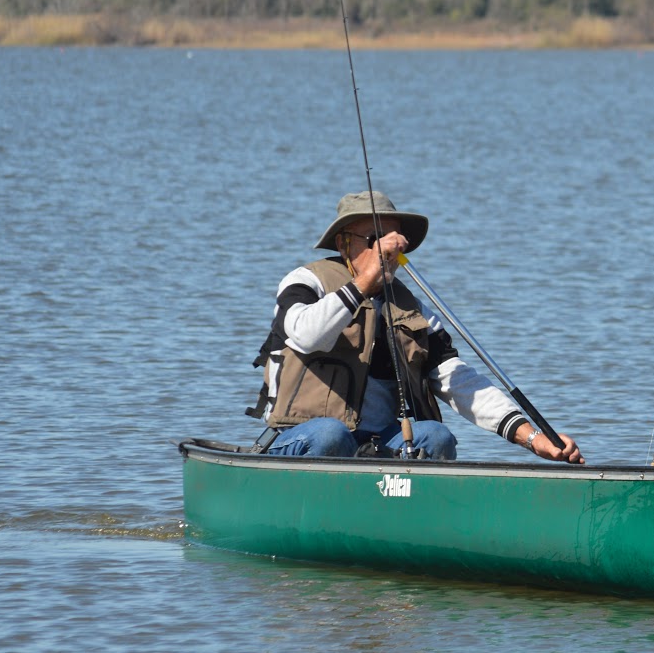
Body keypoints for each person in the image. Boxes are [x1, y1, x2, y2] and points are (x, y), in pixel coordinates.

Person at [249, 190, 584, 463]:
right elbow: (306, 335)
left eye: (396, 241)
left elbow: (462, 384)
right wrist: (364, 284)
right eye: (376, 240)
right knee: (330, 435)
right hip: (302, 440)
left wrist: (533, 438)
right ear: (343, 244)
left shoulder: (411, 308)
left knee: (436, 437)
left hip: (376, 445)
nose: (389, 251)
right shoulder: (306, 282)